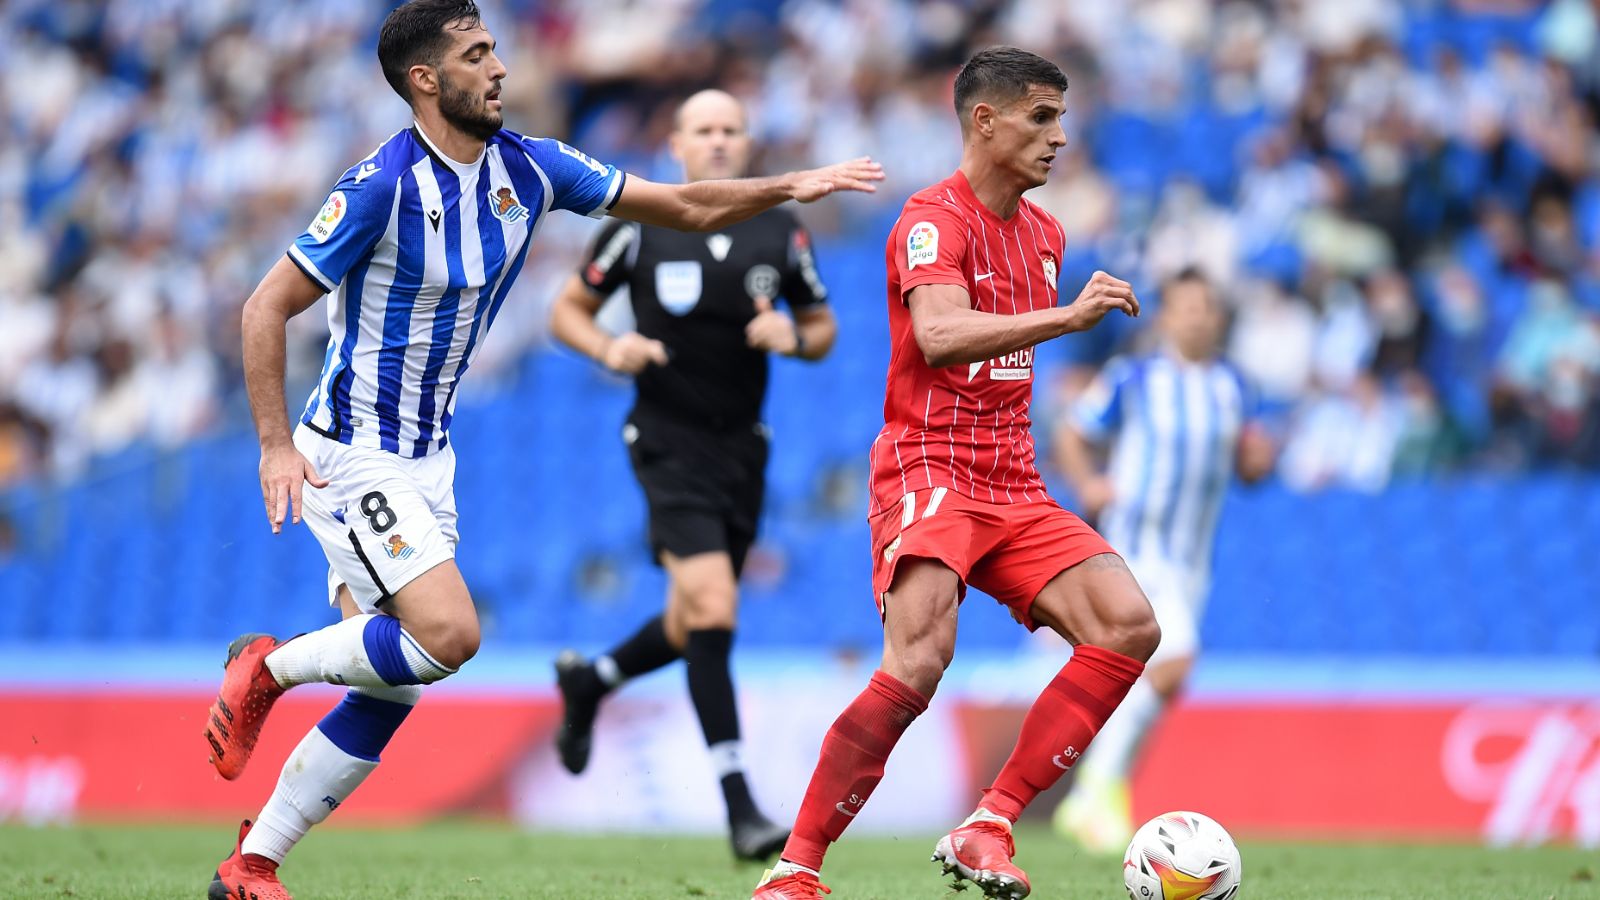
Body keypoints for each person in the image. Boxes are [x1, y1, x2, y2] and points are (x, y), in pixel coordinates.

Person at [203, 2, 882, 897]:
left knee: (395, 683)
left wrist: (791, 183)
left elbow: (678, 203)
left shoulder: (530, 165)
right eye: (476, 54)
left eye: (495, 49)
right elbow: (264, 308)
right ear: (425, 80)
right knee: (449, 634)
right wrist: (272, 445)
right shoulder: (380, 186)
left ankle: (252, 865)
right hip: (353, 448)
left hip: (430, 456)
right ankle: (269, 667)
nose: (499, 68)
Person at [753, 47, 1160, 900]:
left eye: (1061, 117)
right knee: (921, 658)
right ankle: (796, 870)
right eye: (1040, 117)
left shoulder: (1045, 233)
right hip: (931, 465)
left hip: (1013, 478)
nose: (1059, 136)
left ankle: (990, 821)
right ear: (986, 119)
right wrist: (1069, 316)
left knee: (1127, 625)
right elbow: (939, 336)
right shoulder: (931, 219)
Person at [546, 89, 837, 861]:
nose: (716, 142)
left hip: (744, 450)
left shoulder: (780, 230)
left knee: (692, 620)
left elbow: (823, 327)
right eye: (702, 131)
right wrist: (611, 350)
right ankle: (741, 807)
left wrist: (794, 336)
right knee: (713, 607)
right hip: (665, 440)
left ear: (747, 145)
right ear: (676, 145)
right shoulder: (640, 226)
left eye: (730, 131)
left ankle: (596, 679)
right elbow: (566, 311)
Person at [1052, 268, 1274, 854]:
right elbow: (1072, 432)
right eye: (1184, 306)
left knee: (1157, 679)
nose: (1196, 316)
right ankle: (1095, 788)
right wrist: (1089, 484)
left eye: (1206, 306)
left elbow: (1250, 470)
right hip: (1137, 544)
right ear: (1166, 316)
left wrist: (1258, 461)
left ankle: (1098, 794)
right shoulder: (1135, 378)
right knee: (1175, 661)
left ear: (1219, 317)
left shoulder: (1236, 386)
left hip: (1193, 555)